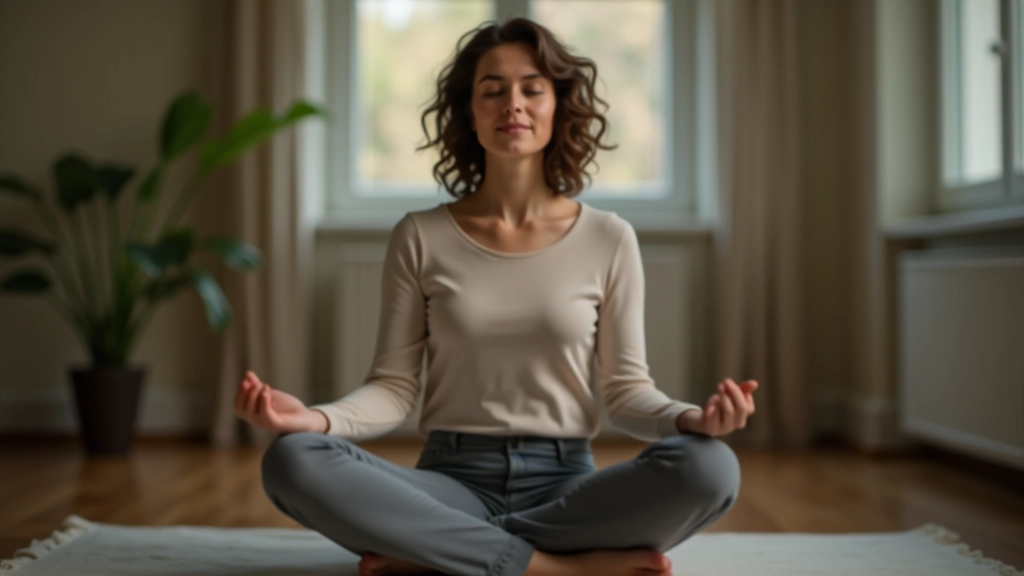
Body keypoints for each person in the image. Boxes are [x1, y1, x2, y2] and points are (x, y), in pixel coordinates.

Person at [234, 16, 758, 576]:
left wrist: (690, 420)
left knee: (711, 468)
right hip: (449, 481)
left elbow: (628, 394)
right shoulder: (420, 235)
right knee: (293, 459)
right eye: (493, 90)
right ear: (470, 112)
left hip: (568, 491)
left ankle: (443, 555)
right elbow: (391, 390)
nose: (514, 104)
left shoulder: (610, 237)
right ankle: (558, 569)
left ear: (558, 106)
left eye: (532, 88)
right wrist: (315, 420)